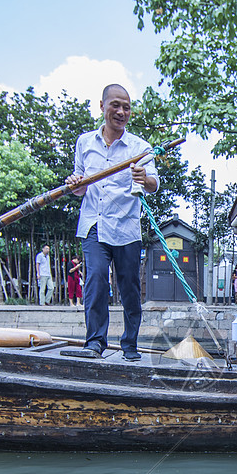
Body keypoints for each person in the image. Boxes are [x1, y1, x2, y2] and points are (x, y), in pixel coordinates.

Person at [65, 83, 158, 360]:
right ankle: (95, 342)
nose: (121, 111)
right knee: (95, 280)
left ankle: (130, 344)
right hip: (94, 223)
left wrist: (144, 178)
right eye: (115, 105)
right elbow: (79, 186)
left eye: (126, 107)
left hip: (126, 226)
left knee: (129, 286)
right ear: (102, 106)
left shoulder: (140, 147)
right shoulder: (84, 143)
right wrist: (74, 185)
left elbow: (153, 183)